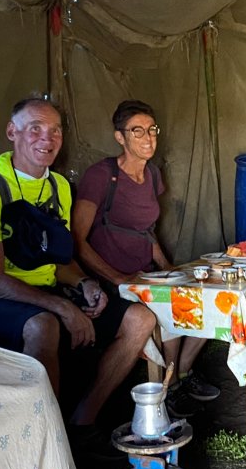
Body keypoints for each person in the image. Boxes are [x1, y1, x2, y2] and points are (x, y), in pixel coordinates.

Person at [0, 96, 159, 447]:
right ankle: (45, 444)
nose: (46, 139)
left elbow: (59, 261)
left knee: (140, 319)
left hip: (47, 290)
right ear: (11, 132)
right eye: (35, 129)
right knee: (43, 325)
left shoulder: (58, 187)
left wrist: (84, 282)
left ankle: (82, 422)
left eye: (55, 131)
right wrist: (64, 308)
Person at [71, 99, 220, 415]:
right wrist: (116, 278)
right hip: (110, 280)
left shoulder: (152, 175)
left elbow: (146, 230)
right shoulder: (102, 176)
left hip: (143, 273)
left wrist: (167, 267)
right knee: (171, 307)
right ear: (120, 137)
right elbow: (77, 241)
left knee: (203, 294)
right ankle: (171, 386)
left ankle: (181, 373)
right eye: (137, 131)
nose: (148, 138)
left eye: (152, 130)